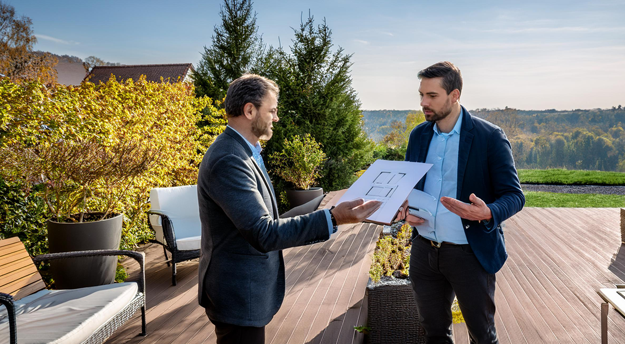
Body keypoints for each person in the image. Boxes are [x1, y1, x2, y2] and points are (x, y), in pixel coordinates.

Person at [197, 74, 381, 344]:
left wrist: (322, 205)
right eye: (271, 110)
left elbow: (265, 218)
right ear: (250, 110)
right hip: (238, 293)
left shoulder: (245, 151)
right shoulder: (229, 159)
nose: (276, 117)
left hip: (244, 291)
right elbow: (263, 232)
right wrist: (333, 218)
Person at [395, 62, 525, 344]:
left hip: (470, 255)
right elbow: (408, 188)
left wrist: (488, 211)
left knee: (482, 336)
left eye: (432, 96)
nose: (423, 103)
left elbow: (515, 196)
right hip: (424, 252)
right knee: (434, 335)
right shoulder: (418, 136)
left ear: (454, 95)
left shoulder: (489, 137)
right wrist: (403, 210)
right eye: (421, 95)